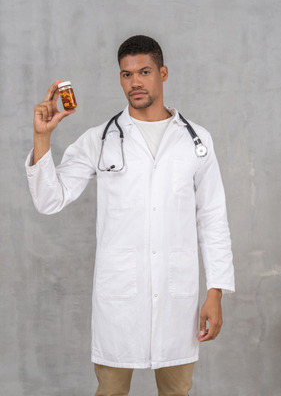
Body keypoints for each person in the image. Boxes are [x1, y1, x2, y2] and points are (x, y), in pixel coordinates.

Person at [25, 35, 235, 396]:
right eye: (126, 75)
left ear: (163, 73)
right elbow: (49, 200)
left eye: (144, 72)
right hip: (119, 300)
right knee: (110, 391)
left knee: (177, 391)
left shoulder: (197, 141)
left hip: (176, 300)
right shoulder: (101, 140)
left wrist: (215, 292)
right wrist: (42, 137)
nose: (135, 82)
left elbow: (213, 218)